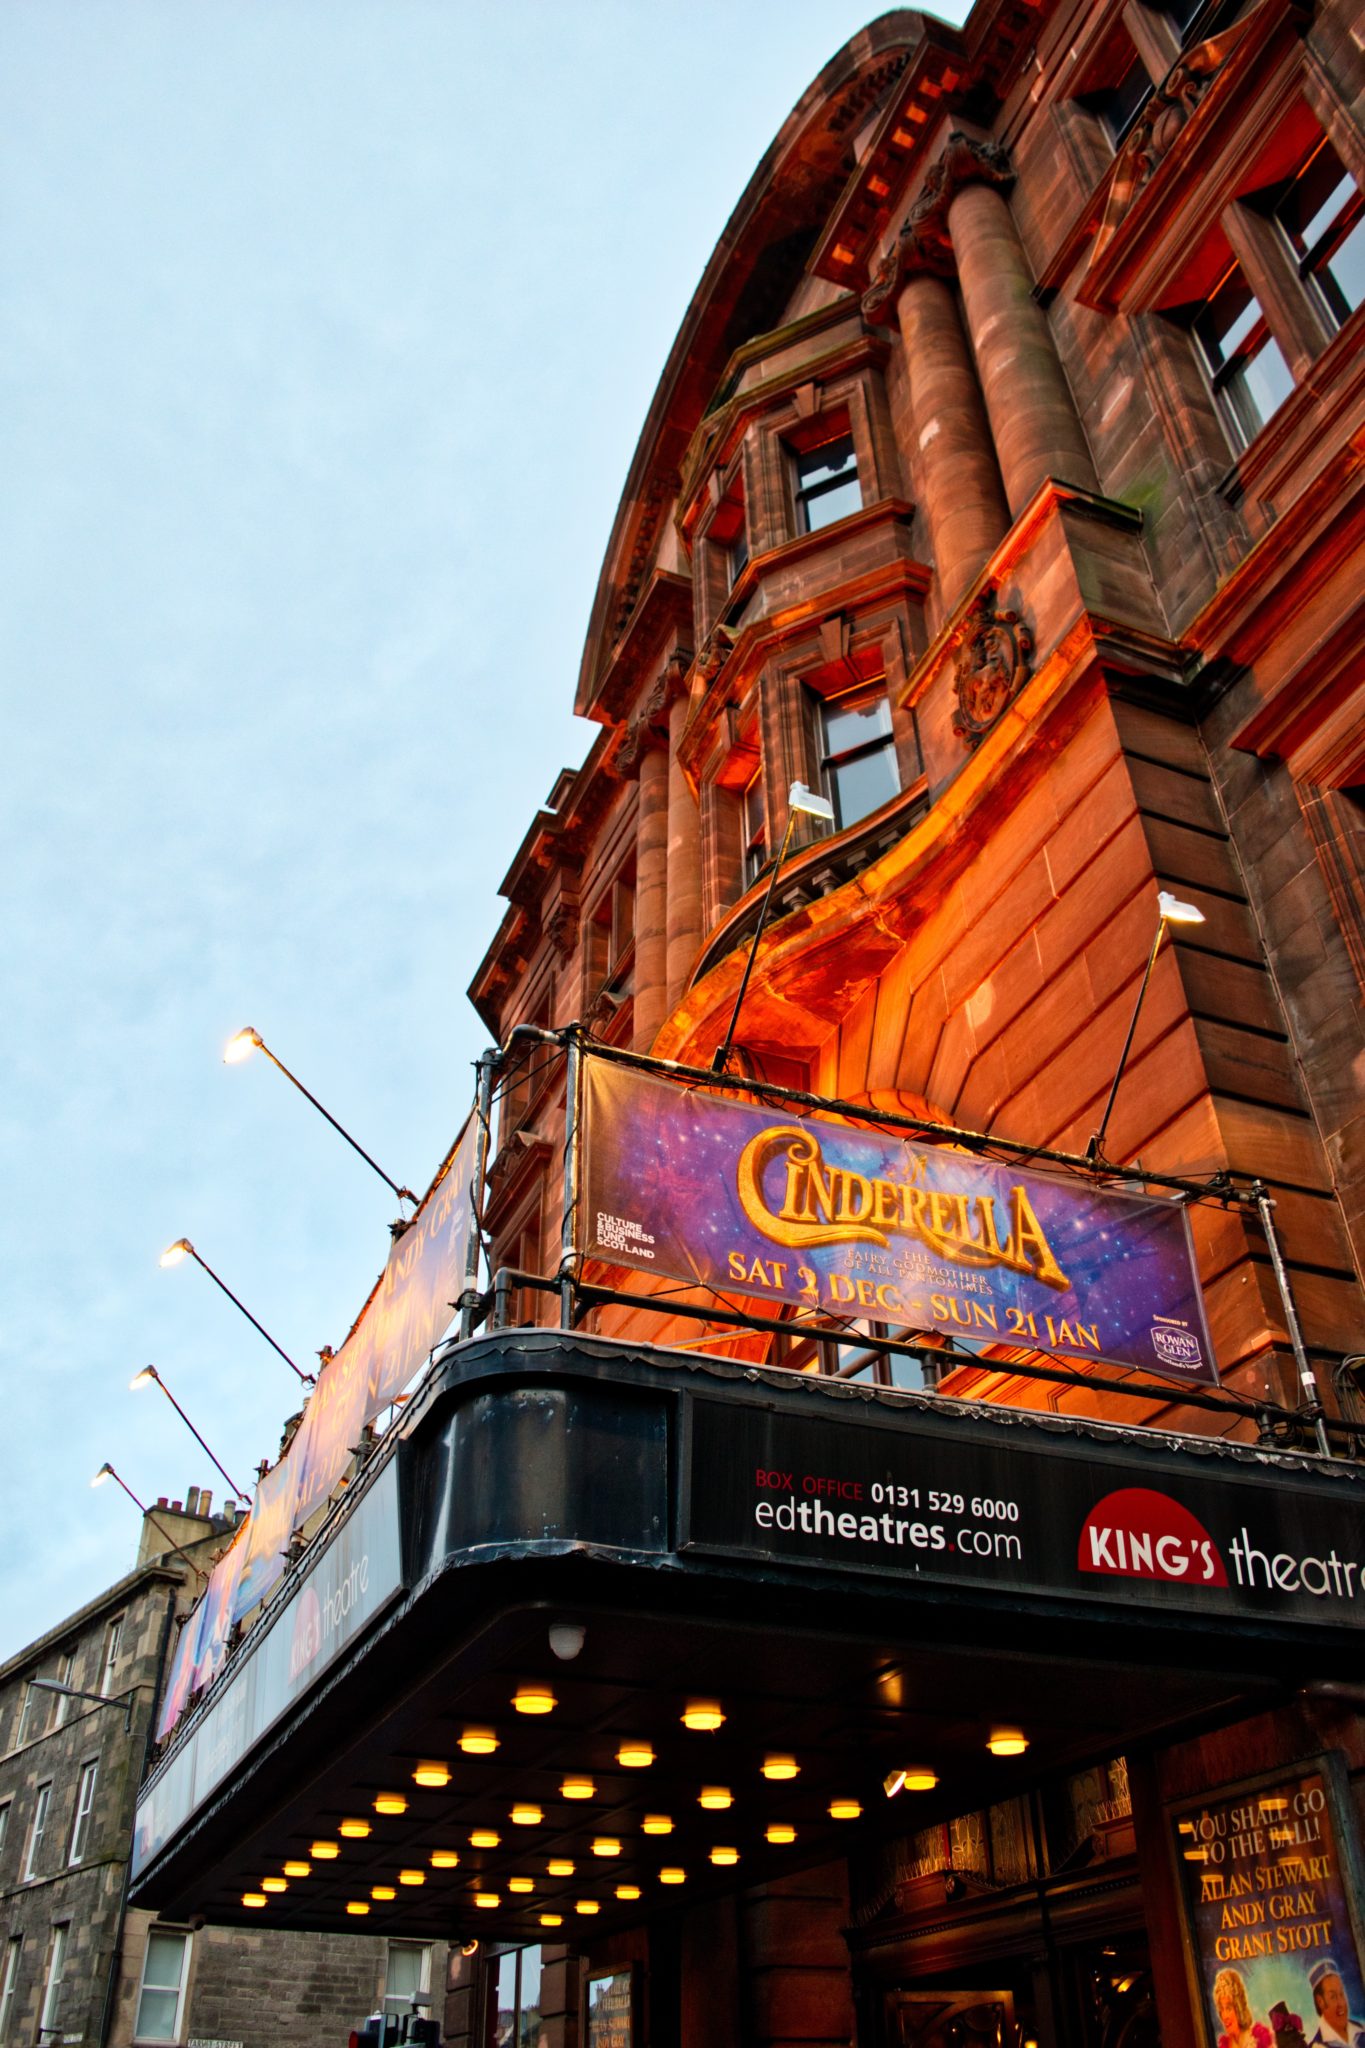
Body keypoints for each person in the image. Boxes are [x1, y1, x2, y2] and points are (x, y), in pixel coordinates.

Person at [1305, 1960, 1365, 2048]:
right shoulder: (1318, 2046)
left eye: (1341, 1994)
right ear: (1320, 2002)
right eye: (1333, 1997)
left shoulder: (1361, 2029)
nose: (1341, 2003)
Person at [1214, 1969, 1272, 2048]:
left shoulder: (1258, 2040)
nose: (1224, 2016)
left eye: (1228, 2008)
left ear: (1239, 2008)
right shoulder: (1225, 2046)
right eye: (1221, 2009)